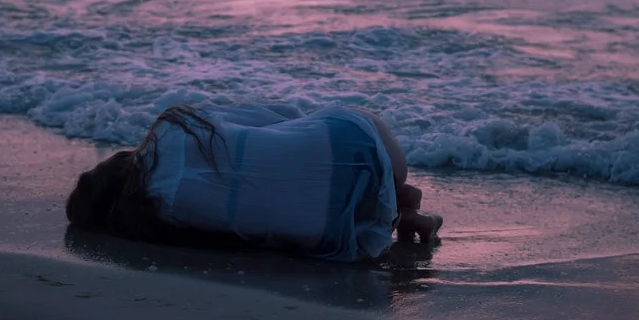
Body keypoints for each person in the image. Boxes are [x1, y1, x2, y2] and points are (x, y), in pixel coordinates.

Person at [65, 103, 442, 261]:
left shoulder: (164, 224)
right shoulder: (172, 127)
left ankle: (396, 210)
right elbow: (279, 114)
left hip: (347, 233)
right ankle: (397, 195)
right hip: (364, 139)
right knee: (301, 127)